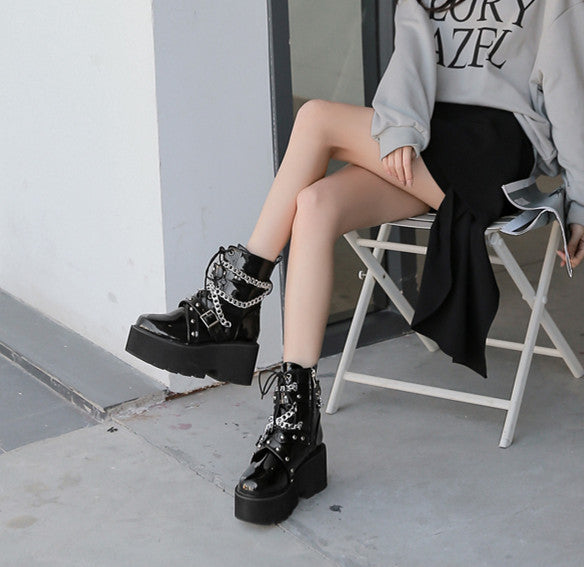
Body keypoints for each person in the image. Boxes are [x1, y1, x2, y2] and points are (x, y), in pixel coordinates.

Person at [125, 0, 584, 524]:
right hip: (426, 139)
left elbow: (568, 87)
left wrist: (580, 201)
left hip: (495, 147)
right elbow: (410, 61)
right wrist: (401, 128)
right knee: (315, 205)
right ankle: (297, 428)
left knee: (316, 119)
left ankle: (233, 304)